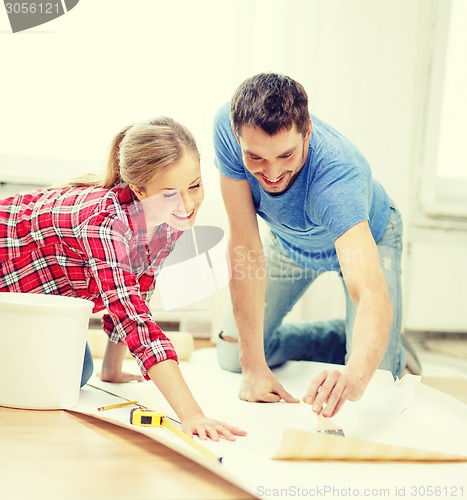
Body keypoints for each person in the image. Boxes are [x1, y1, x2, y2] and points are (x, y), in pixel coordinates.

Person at [0, 116, 246, 441]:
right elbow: (134, 320)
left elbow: (136, 292)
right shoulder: (104, 225)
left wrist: (112, 370)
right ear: (138, 189)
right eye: (169, 193)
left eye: (195, 186)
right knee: (48, 381)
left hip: (32, 300)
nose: (187, 204)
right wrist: (192, 415)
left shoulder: (168, 221)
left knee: (78, 373)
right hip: (9, 276)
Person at [213, 73, 420, 418]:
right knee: (232, 357)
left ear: (307, 130)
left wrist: (353, 376)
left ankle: (381, 341)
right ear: (238, 137)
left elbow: (371, 293)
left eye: (285, 155)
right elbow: (245, 246)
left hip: (367, 239)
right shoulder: (226, 125)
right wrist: (253, 367)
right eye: (256, 158)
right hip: (290, 241)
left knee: (378, 379)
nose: (273, 173)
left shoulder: (337, 178)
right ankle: (343, 337)